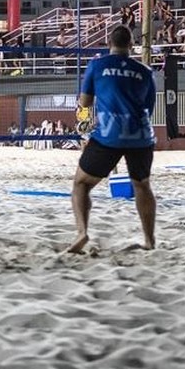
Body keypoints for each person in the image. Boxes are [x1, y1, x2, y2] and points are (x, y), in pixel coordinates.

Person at [67, 25, 157, 254]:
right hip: (140, 135)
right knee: (142, 185)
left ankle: (82, 233)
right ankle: (149, 240)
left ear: (109, 44)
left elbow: (85, 102)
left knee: (81, 184)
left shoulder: (97, 65)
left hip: (109, 135)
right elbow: (148, 108)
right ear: (131, 45)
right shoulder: (145, 71)